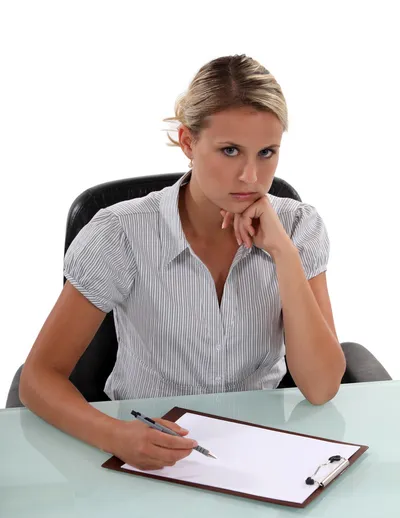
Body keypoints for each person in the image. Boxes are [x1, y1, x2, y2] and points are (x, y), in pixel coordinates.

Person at [20, 54, 346, 470]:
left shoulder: (298, 228)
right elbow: (37, 379)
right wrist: (114, 435)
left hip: (258, 453)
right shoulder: (120, 233)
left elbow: (320, 387)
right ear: (189, 142)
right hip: (149, 450)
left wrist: (283, 253)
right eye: (230, 151)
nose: (250, 175)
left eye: (267, 152)